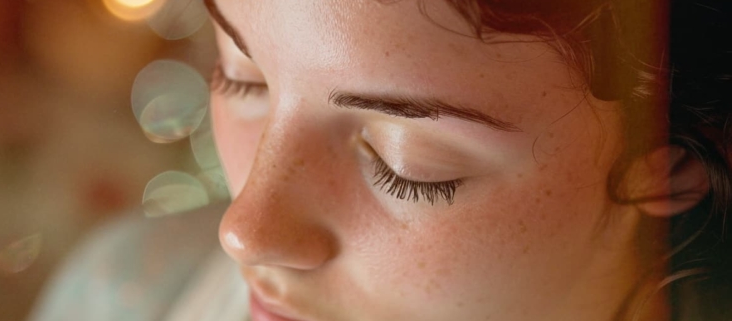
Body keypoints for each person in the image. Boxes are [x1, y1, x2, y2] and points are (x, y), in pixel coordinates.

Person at [205, 0, 732, 320]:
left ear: (671, 166)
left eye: (406, 165)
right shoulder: (134, 287)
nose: (246, 234)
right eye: (241, 78)